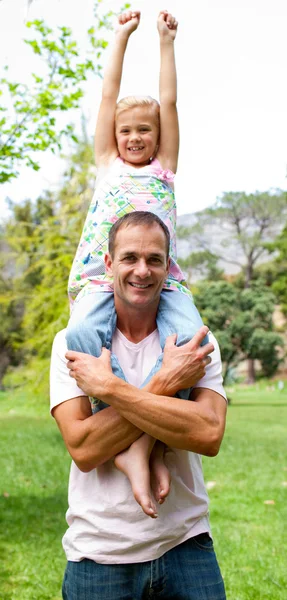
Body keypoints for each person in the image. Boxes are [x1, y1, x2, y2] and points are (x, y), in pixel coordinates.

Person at [66, 9, 208, 519]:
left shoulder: (165, 171)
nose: (134, 138)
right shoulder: (106, 166)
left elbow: (168, 100)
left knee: (193, 342)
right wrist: (120, 37)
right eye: (126, 130)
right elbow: (108, 95)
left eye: (144, 130)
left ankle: (149, 445)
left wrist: (165, 41)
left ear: (156, 135)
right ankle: (125, 443)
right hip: (100, 281)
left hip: (163, 284)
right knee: (81, 333)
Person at [50, 212, 227, 599]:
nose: (142, 271)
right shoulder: (71, 341)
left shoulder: (195, 341)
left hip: (186, 542)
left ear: (169, 267)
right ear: (110, 264)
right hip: (99, 551)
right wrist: (166, 383)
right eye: (130, 258)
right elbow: (84, 447)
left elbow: (209, 432)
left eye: (154, 259)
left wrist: (110, 389)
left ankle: (145, 453)